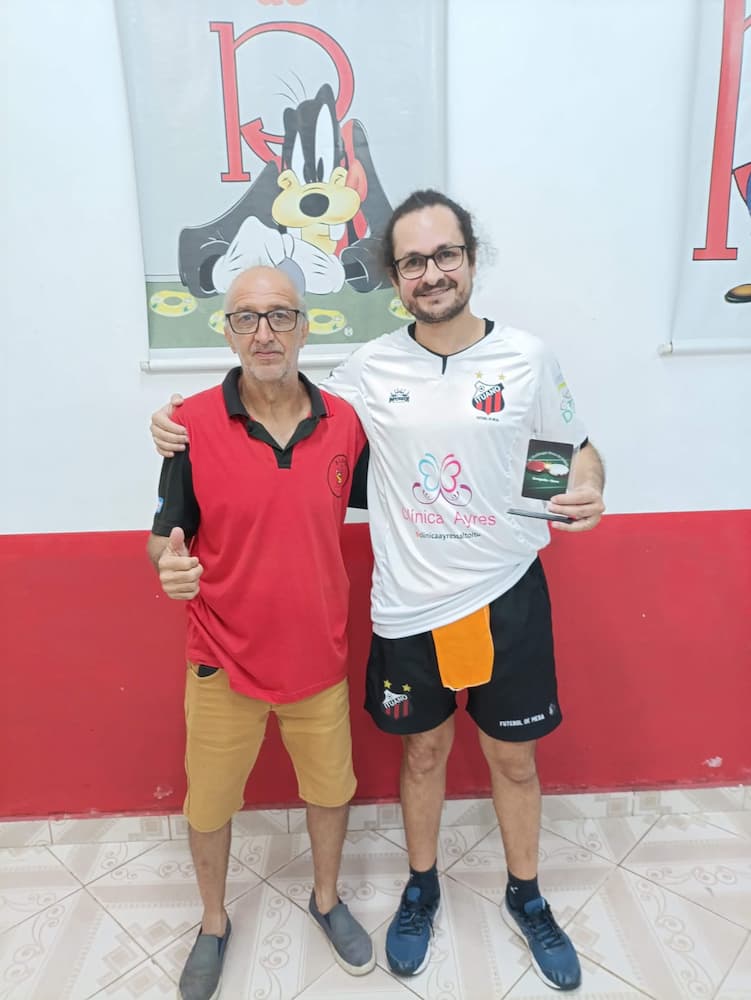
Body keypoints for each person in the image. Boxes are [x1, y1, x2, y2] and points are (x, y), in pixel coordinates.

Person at [150, 191, 605, 993]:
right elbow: (276, 398)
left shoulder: (527, 358)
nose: (431, 273)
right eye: (412, 262)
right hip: (408, 603)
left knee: (513, 761)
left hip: (506, 591)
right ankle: (420, 889)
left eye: (445, 255)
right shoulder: (367, 371)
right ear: (393, 279)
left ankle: (526, 897)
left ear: (470, 259)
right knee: (421, 752)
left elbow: (569, 449)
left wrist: (585, 487)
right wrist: (172, 422)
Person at [147, 265, 374, 1000]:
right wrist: (168, 566)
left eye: (280, 316)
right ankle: (213, 922)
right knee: (209, 804)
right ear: (228, 332)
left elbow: (411, 494)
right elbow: (164, 535)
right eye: (247, 317)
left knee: (330, 792)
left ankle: (327, 900)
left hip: (318, 658)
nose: (264, 332)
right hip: (221, 659)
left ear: (305, 328)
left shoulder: (346, 423)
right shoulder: (190, 426)